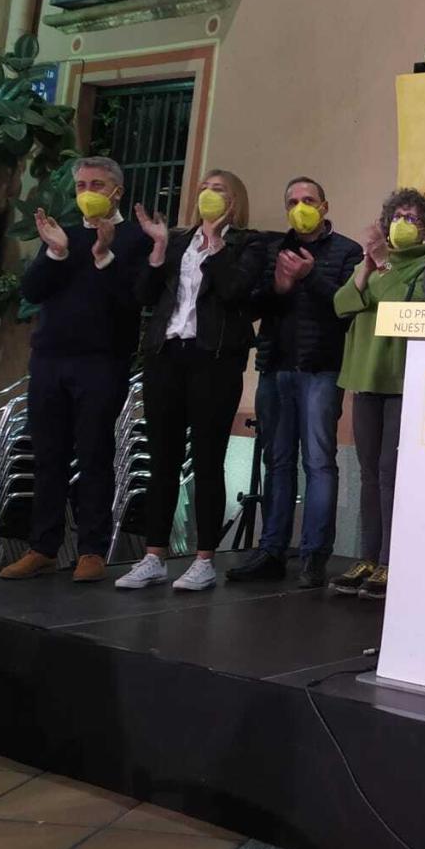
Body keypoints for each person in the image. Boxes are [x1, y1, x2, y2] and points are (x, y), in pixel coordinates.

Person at [1, 157, 149, 582]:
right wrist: (55, 252)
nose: (87, 190)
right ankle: (43, 546)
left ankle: (91, 549)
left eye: (96, 184)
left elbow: (132, 299)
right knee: (47, 453)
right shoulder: (61, 230)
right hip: (49, 358)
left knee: (94, 452)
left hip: (102, 360)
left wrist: (104, 257)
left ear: (116, 191)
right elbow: (32, 291)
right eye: (81, 183)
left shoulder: (136, 238)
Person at [116, 171, 265, 592]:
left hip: (213, 360)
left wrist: (216, 246)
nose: (208, 195)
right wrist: (159, 246)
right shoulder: (177, 240)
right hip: (166, 356)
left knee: (207, 460)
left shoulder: (247, 243)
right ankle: (153, 555)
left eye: (219, 190)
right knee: (161, 461)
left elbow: (236, 292)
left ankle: (203, 559)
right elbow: (144, 295)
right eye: (204, 188)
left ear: (235, 200)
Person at [227, 178, 364, 589]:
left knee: (319, 462)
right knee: (278, 462)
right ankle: (271, 549)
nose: (300, 207)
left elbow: (347, 307)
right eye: (292, 201)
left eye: (308, 200)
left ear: (324, 205)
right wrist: (280, 286)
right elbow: (251, 305)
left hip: (321, 369)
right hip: (274, 367)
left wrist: (308, 278)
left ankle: (314, 556)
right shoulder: (273, 247)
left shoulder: (347, 251)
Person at [328, 188, 425, 599]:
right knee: (366, 472)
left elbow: (406, 309)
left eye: (413, 218)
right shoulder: (374, 265)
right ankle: (367, 555)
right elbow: (343, 304)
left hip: (400, 380)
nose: (402, 223)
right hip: (364, 377)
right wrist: (366, 268)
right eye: (397, 215)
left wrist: (379, 266)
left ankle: (391, 560)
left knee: (389, 471)